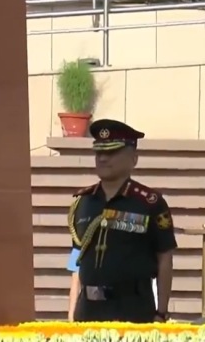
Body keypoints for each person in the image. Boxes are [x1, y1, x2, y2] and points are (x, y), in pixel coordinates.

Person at [68, 119, 177, 323]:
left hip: (132, 309)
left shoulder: (150, 203)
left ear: (133, 159)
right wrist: (72, 311)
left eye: (111, 152)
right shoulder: (83, 202)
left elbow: (165, 259)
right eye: (99, 152)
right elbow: (77, 259)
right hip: (88, 311)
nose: (102, 158)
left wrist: (161, 313)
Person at [66, 248, 159, 321]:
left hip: (129, 306)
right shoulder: (86, 231)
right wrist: (71, 315)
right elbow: (76, 277)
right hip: (92, 308)